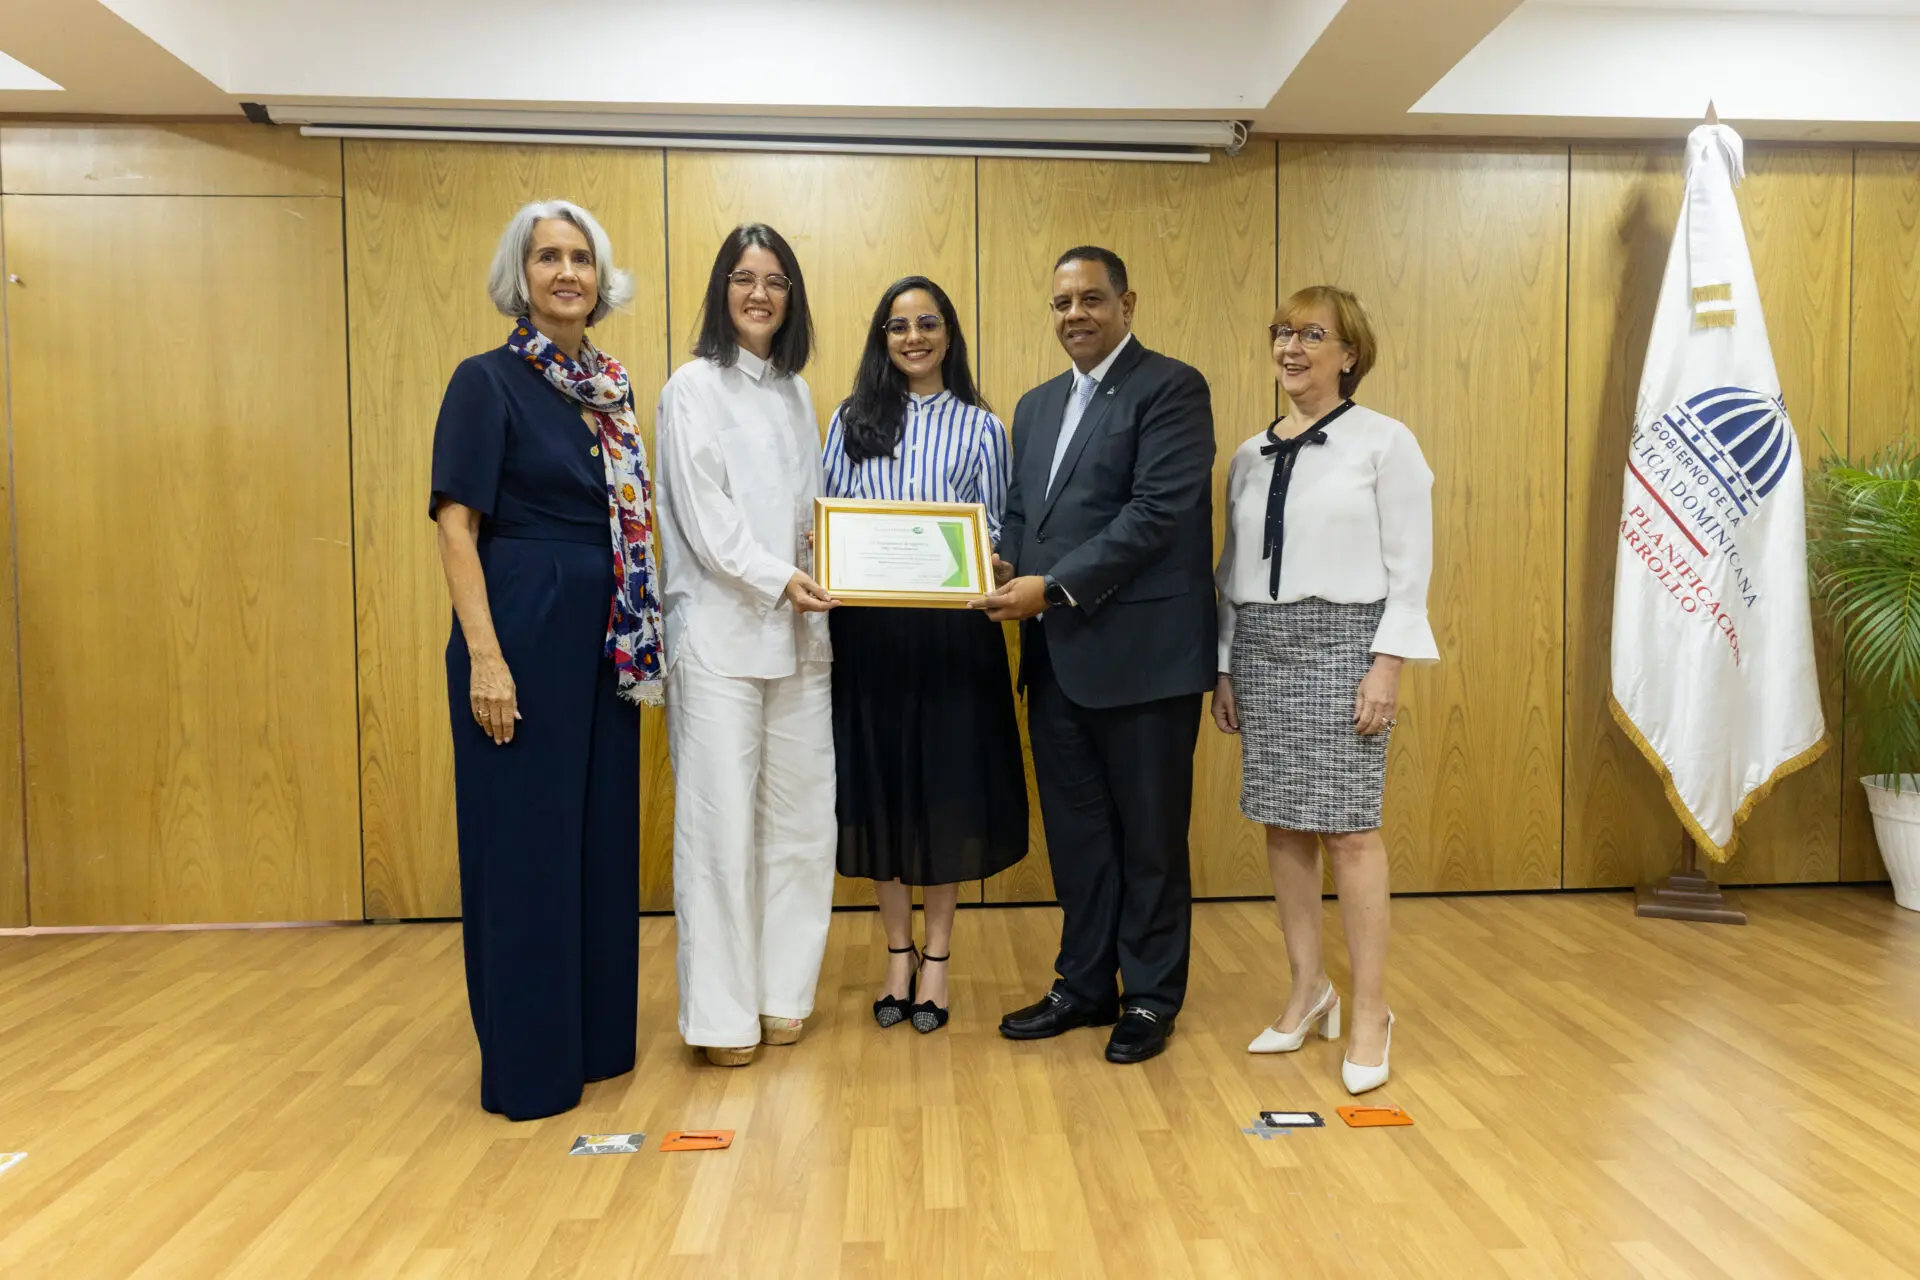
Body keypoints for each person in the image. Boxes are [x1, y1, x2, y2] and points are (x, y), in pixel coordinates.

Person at [430, 199, 661, 1120]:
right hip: (520, 631)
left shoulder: (609, 385)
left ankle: (597, 1045)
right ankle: (530, 1070)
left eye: (581, 258)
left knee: (599, 846)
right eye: (548, 258)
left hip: (604, 640)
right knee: (525, 853)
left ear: (600, 280)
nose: (567, 272)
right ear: (518, 278)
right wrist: (487, 658)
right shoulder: (483, 382)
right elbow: (457, 525)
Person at [977, 245, 1215, 1066]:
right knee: (1079, 839)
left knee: (1149, 837)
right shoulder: (1036, 405)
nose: (1074, 314)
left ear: (1127, 302)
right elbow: (1019, 514)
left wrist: (1050, 586)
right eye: (1060, 303)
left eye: (1090, 300)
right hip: (1057, 661)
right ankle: (1082, 985)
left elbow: (1157, 514)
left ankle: (1149, 997)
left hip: (1145, 659)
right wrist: (1003, 564)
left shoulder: (1172, 388)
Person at [1212, 285, 1438, 1095]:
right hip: (1266, 649)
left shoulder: (1386, 442)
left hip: (1347, 645)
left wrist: (1388, 664)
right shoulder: (1248, 452)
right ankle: (1309, 991)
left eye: (1312, 334)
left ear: (1350, 354)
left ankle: (1371, 1011)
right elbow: (1233, 571)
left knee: (1349, 831)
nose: (1292, 347)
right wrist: (1226, 661)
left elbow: (1411, 568)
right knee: (1282, 825)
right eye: (1282, 332)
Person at [823, 276, 1029, 1034]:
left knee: (942, 795)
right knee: (882, 795)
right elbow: (826, 516)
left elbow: (1002, 533)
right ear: (882, 337)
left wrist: (995, 564)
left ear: (949, 335)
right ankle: (896, 955)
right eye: (898, 325)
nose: (913, 337)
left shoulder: (983, 426)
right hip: (869, 637)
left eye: (928, 324)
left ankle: (937, 961)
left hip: (950, 639)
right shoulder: (851, 419)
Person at [654, 223, 837, 1067]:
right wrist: (779, 577)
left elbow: (813, 520)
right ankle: (723, 1016)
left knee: (803, 823)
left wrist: (826, 571)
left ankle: (781, 993)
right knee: (719, 830)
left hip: (802, 638)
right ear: (721, 291)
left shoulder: (798, 394)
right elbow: (706, 519)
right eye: (743, 278)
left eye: (775, 280)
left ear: (791, 296)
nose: (759, 293)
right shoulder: (689, 388)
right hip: (722, 637)